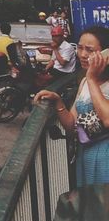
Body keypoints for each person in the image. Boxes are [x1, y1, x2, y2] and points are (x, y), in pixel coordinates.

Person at [35, 27, 109, 185]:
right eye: (79, 47)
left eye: (89, 50)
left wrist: (91, 79)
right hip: (85, 155)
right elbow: (71, 125)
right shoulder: (84, 82)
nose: (82, 54)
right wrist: (58, 102)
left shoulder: (90, 81)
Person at [41, 22, 79, 100]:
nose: (54, 38)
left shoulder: (68, 47)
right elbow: (52, 60)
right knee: (38, 75)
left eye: (57, 36)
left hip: (65, 72)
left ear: (62, 37)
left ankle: (49, 98)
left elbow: (62, 63)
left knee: (44, 81)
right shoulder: (56, 46)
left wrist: (55, 49)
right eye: (53, 36)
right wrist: (46, 69)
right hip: (56, 70)